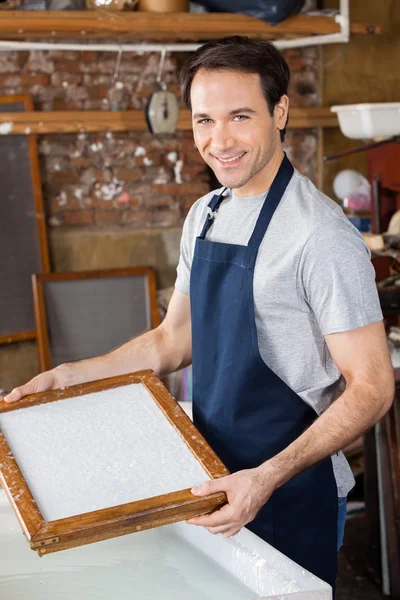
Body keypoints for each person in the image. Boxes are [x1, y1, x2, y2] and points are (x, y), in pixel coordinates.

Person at [4, 36, 394, 590]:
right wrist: (71, 377)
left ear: (280, 111)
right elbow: (172, 341)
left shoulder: (320, 236)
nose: (220, 140)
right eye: (204, 120)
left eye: (240, 116)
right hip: (209, 476)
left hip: (287, 492)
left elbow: (374, 387)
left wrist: (265, 478)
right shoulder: (205, 215)